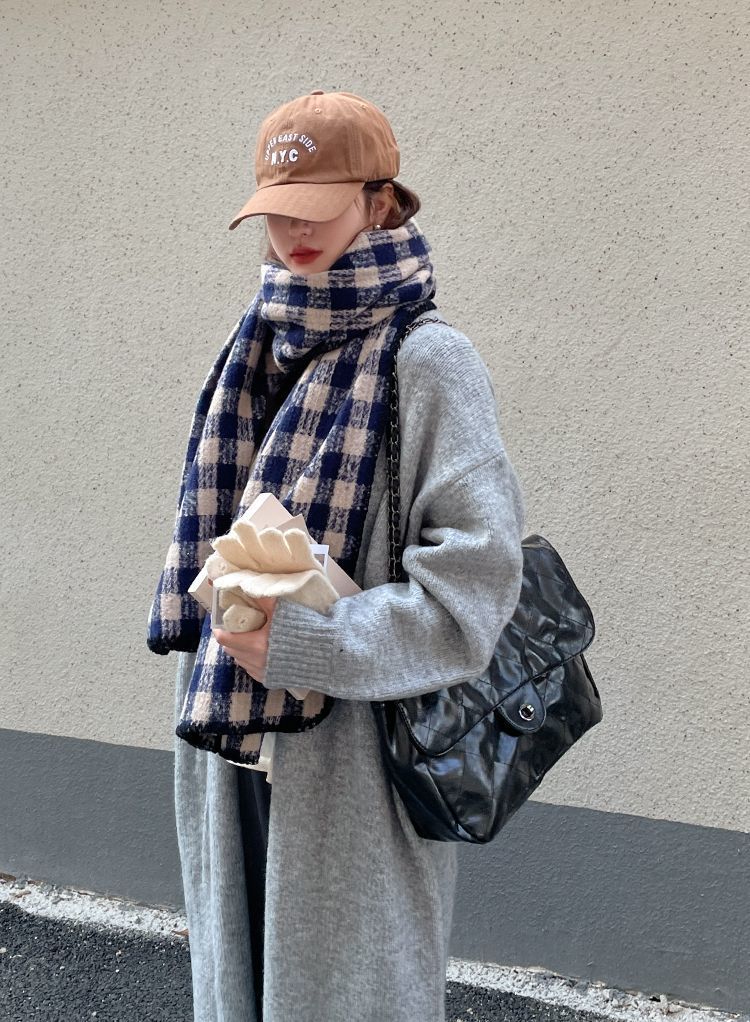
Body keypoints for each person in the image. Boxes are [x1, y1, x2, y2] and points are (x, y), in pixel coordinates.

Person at [148, 89, 526, 1022]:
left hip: (353, 765)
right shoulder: (256, 343)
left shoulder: (428, 361)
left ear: (380, 200)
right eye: (277, 212)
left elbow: (474, 593)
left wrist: (306, 644)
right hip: (232, 740)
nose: (294, 233)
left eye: (316, 209)